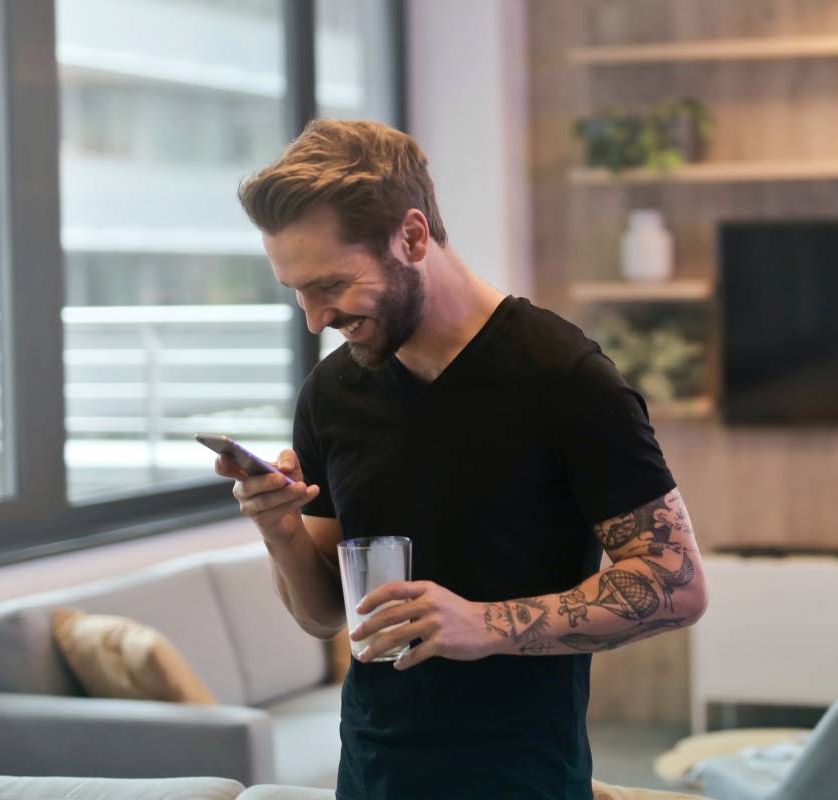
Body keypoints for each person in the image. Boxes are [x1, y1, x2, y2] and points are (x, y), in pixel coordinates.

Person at [214, 118, 708, 800]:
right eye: (296, 291)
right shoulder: (331, 394)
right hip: (370, 774)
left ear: (412, 238)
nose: (313, 318)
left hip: (522, 777)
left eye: (330, 284)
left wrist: (482, 623)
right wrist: (280, 531)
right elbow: (325, 614)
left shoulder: (565, 378)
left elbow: (676, 583)